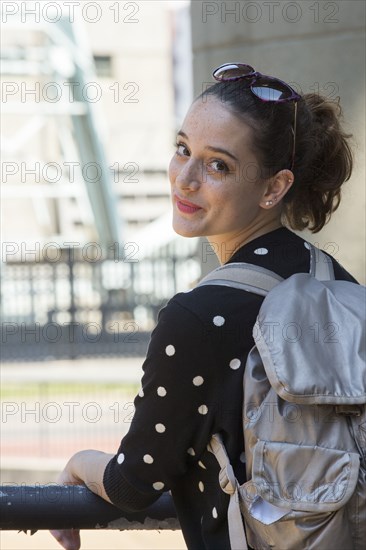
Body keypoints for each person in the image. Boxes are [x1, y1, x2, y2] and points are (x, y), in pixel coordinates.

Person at [50, 62, 357, 550]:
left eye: (219, 165)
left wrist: (77, 463)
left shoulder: (199, 317)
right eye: (182, 149)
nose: (185, 178)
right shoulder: (342, 287)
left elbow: (135, 482)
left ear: (274, 188)